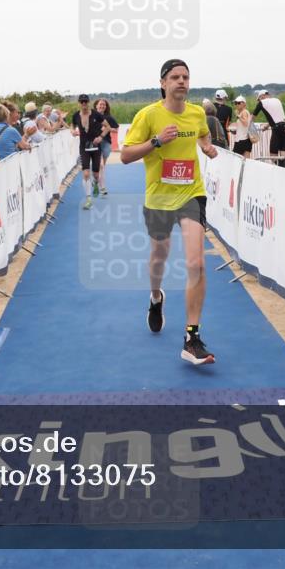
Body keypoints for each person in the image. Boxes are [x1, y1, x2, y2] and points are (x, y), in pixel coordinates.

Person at [121, 59, 219, 365]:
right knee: (159, 255)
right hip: (159, 198)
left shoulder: (197, 113)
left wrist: (206, 146)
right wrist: (157, 141)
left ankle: (192, 337)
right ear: (163, 83)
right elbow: (124, 155)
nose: (181, 81)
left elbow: (203, 133)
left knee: (196, 262)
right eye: (175, 77)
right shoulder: (148, 115)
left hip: (191, 194)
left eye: (186, 77)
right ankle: (155, 297)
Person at [71, 94, 107, 209]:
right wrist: (72, 131)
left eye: (85, 101)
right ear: (79, 103)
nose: (84, 104)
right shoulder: (76, 115)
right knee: (86, 173)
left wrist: (100, 137)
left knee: (96, 175)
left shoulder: (96, 114)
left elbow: (108, 127)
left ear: (89, 102)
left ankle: (96, 182)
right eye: (82, 102)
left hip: (96, 147)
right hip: (84, 148)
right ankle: (88, 199)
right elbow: (72, 125)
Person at [253, 89, 285, 168]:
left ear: (262, 96)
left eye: (259, 99)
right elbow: (276, 116)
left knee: (273, 155)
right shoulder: (277, 100)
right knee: (283, 154)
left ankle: (281, 170)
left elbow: (252, 118)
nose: (258, 101)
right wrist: (267, 126)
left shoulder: (261, 103)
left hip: (277, 128)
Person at [94, 98, 119, 196]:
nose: (102, 106)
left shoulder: (109, 118)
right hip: (96, 142)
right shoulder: (92, 116)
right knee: (100, 165)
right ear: (96, 105)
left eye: (104, 105)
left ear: (106, 107)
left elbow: (116, 129)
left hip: (106, 143)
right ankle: (102, 187)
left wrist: (107, 128)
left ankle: (96, 181)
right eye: (100, 104)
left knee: (102, 166)